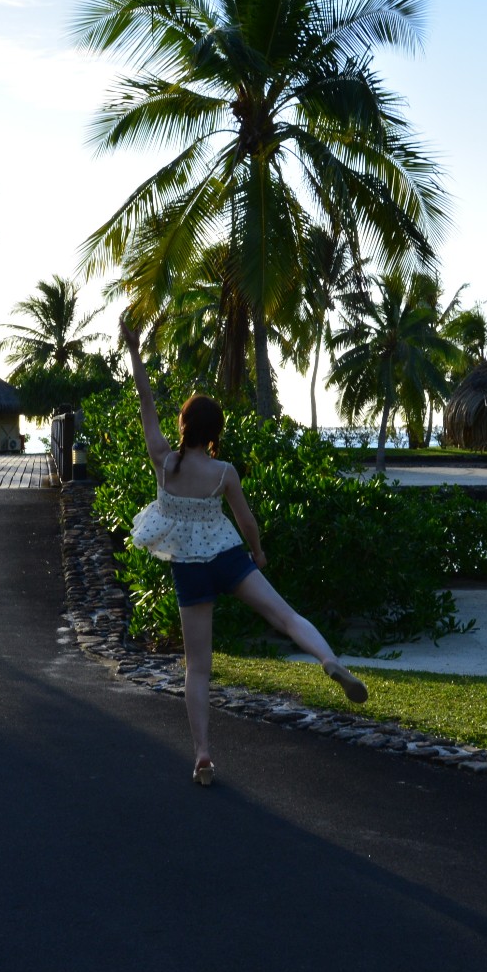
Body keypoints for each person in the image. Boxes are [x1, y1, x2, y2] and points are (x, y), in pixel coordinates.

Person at [120, 322, 368, 787]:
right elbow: (248, 521)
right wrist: (257, 554)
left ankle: (203, 754)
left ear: (185, 426)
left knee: (198, 667)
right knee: (287, 618)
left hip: (190, 571)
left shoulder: (164, 461)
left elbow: (145, 401)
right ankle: (329, 660)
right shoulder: (224, 471)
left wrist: (135, 350)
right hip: (228, 557)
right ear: (215, 431)